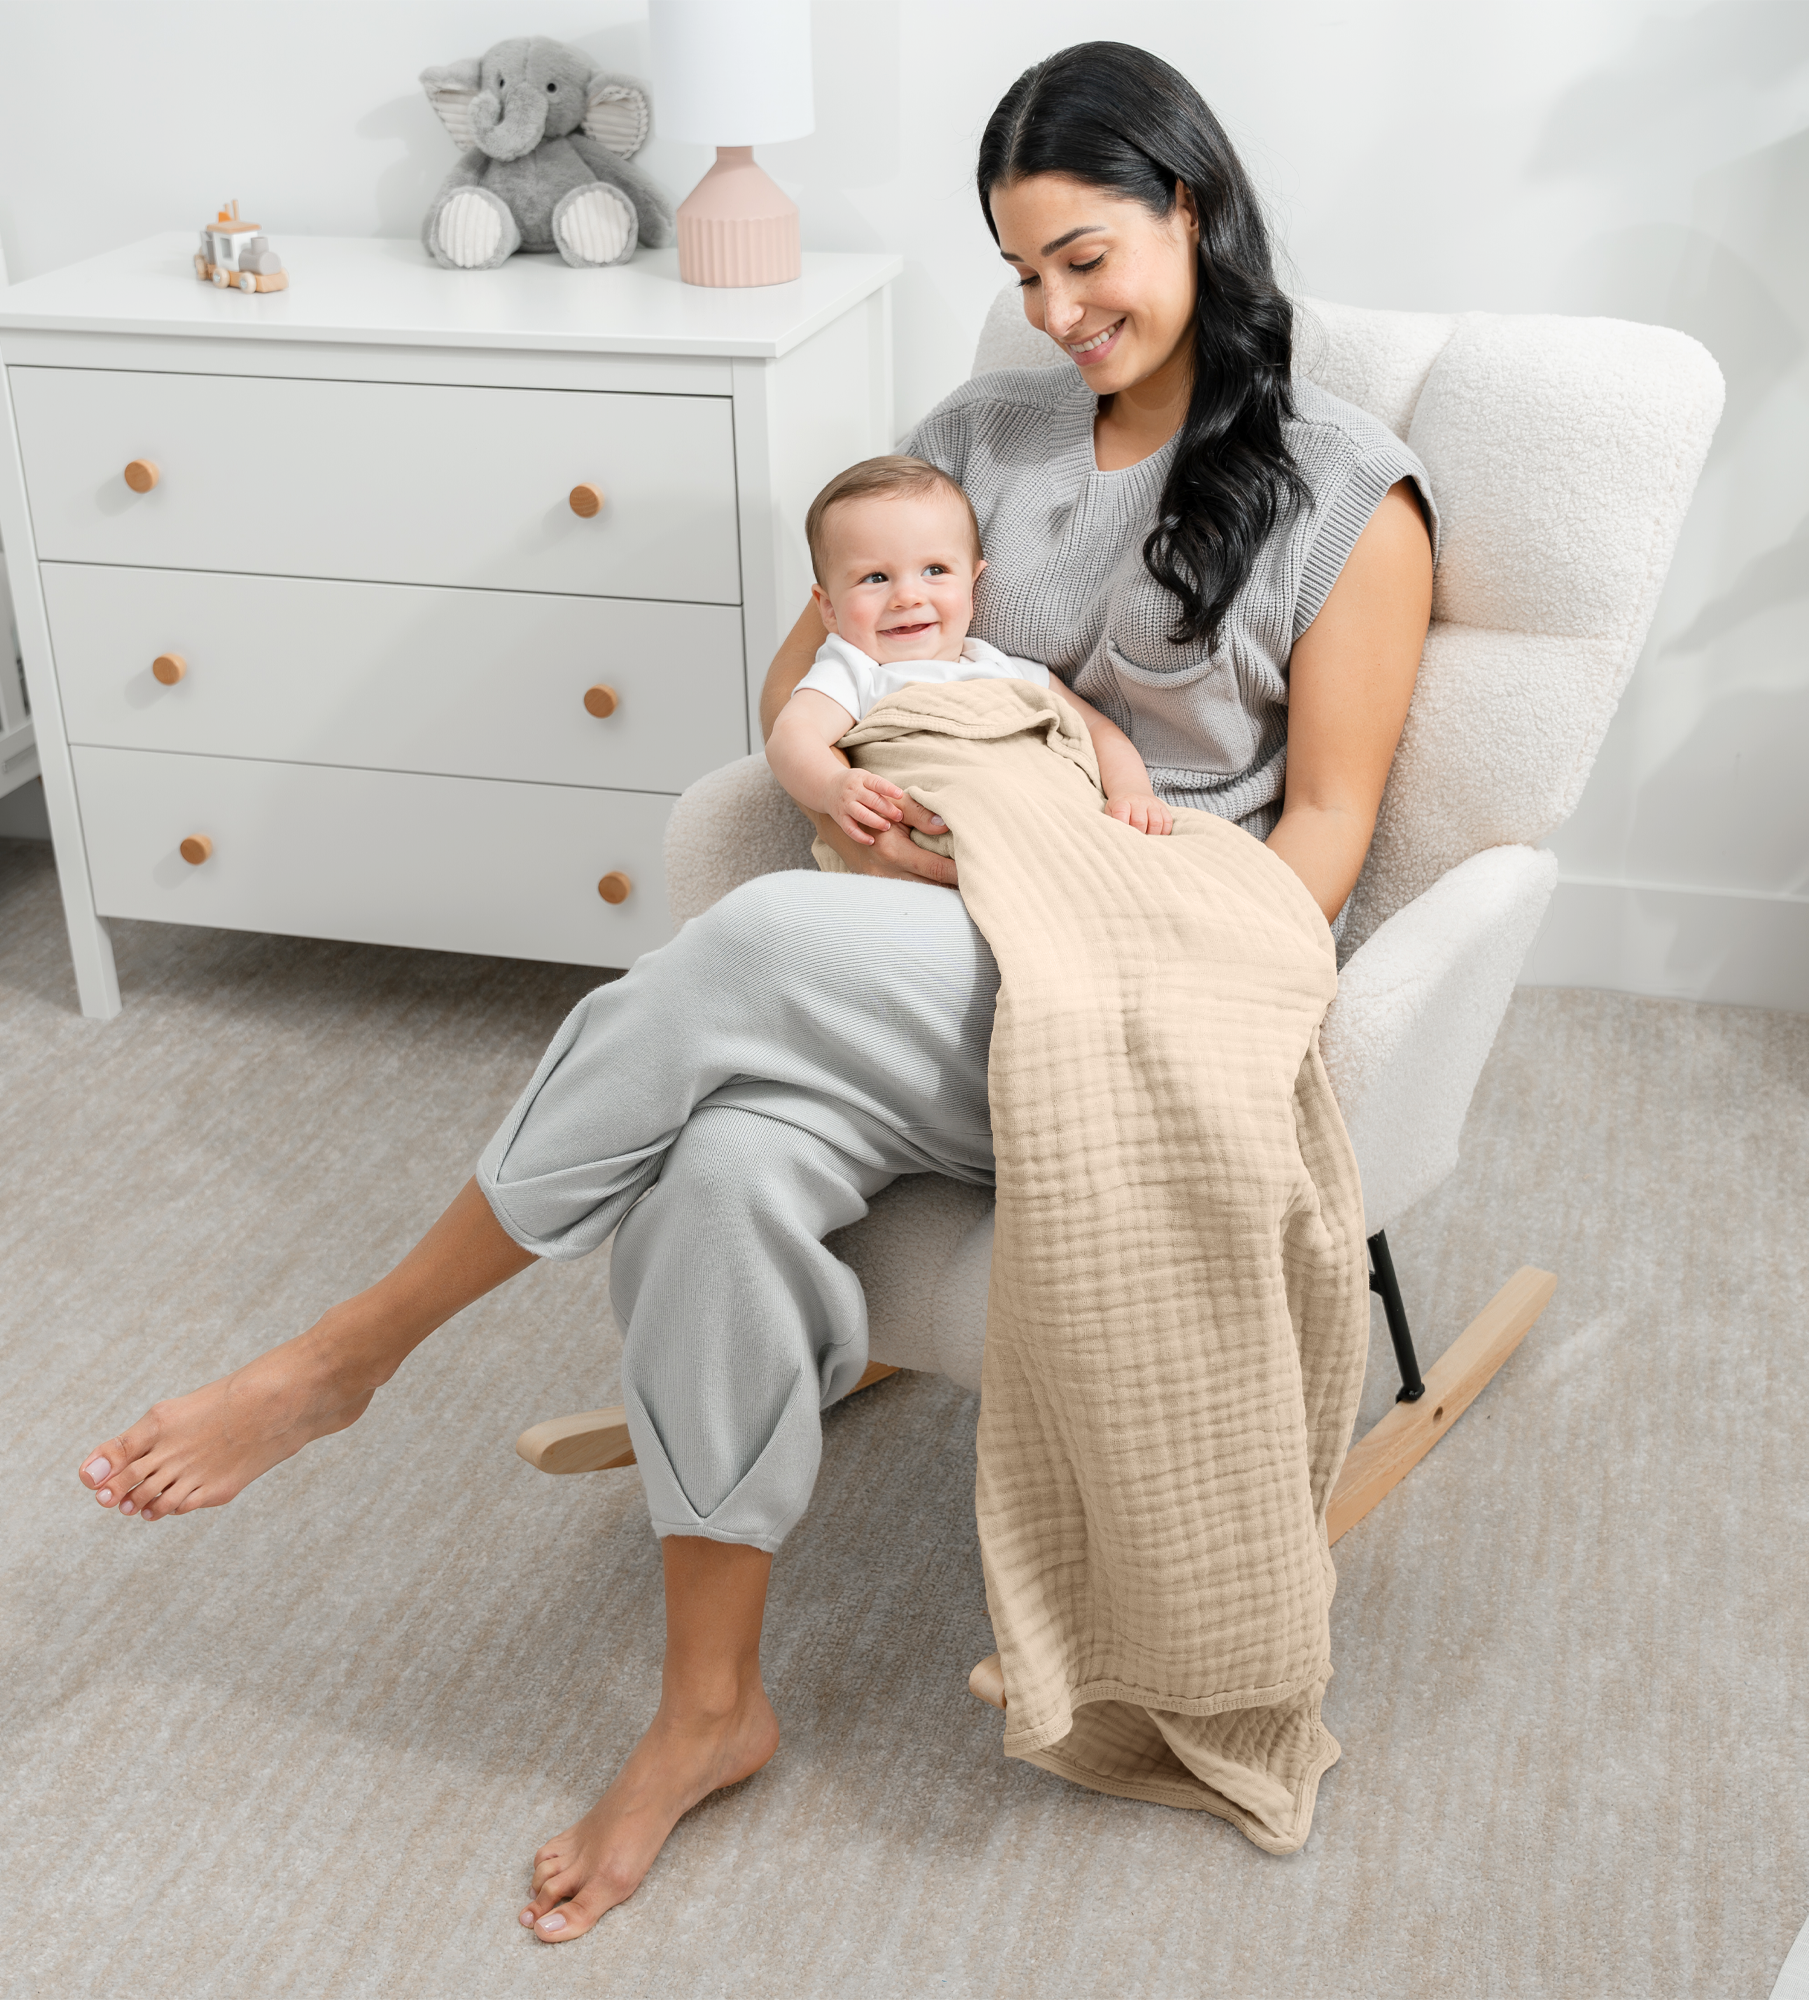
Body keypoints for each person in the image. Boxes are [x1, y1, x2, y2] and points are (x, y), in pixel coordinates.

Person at [73, 41, 1435, 1942]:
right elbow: (808, 683)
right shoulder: (981, 434)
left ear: (1190, 209)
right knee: (716, 1176)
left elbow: (1330, 835)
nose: (1057, 313)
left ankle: (351, 1352)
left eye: (1087, 259)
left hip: (1149, 961)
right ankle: (708, 1708)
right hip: (920, 927)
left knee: (750, 947)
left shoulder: (1347, 492)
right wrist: (859, 809)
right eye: (1023, 272)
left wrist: (1129, 973)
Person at [764, 452, 1173, 852]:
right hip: (948, 840)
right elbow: (792, 737)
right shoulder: (855, 671)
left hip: (1051, 826)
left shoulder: (1005, 668)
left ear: (972, 583)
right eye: (875, 577)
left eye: (935, 570)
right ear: (828, 608)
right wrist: (832, 786)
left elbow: (1097, 730)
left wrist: (1132, 792)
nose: (907, 596)